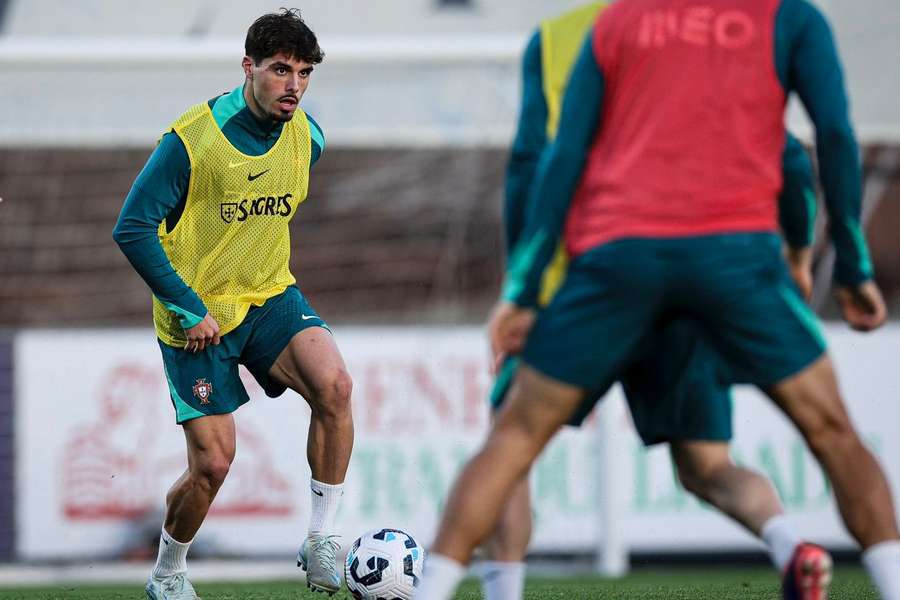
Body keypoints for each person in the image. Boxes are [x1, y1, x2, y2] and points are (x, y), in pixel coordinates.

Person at [417, 0, 900, 598]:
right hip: (732, 260)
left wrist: (521, 288)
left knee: (513, 437)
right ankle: (851, 566)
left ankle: (448, 588)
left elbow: (550, 161)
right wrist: (845, 265)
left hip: (612, 266)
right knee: (823, 434)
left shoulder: (608, 27)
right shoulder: (786, 18)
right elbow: (822, 140)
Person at [113, 9, 352, 599]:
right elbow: (133, 227)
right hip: (197, 319)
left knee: (336, 387)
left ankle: (322, 537)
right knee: (213, 465)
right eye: (279, 69)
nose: (293, 84)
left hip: (268, 295)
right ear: (248, 67)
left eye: (303, 72)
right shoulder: (192, 142)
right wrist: (188, 306)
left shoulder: (308, 138)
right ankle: (167, 573)